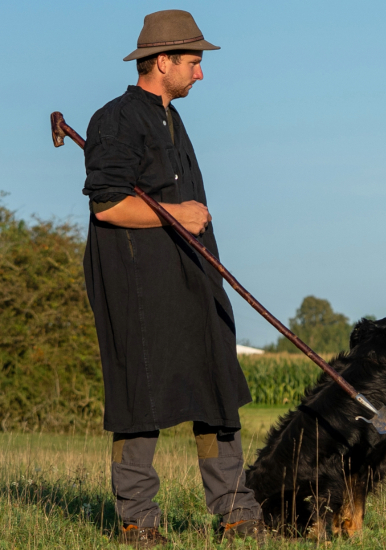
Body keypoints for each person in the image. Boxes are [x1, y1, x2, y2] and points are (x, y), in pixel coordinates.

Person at [81, 10, 268, 546]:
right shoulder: (115, 119)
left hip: (192, 279)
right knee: (138, 396)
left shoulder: (170, 116)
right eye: (193, 62)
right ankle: (137, 520)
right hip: (139, 285)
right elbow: (109, 205)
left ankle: (237, 512)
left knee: (216, 388)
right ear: (162, 62)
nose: (200, 73)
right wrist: (178, 213)